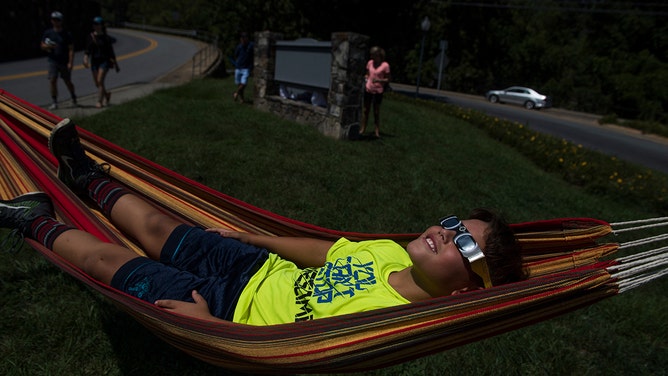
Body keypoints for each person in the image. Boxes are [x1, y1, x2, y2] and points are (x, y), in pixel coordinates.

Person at [0, 119, 524, 325]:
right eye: (453, 222)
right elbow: (324, 253)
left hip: (228, 315)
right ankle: (84, 176)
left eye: (463, 244)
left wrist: (214, 330)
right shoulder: (388, 252)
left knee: (110, 260)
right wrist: (246, 234)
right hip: (255, 265)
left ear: (466, 293)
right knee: (158, 226)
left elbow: (298, 353)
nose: (442, 230)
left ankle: (33, 222)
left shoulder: (389, 321)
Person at [40, 11, 77, 110]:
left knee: (67, 81)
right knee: (52, 80)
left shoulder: (66, 34)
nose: (55, 22)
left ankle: (73, 97)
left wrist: (70, 62)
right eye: (54, 20)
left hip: (64, 61)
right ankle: (54, 101)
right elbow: (42, 45)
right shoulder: (48, 33)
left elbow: (71, 49)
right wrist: (48, 46)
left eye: (58, 20)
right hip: (53, 60)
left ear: (61, 21)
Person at [83, 16, 120, 108]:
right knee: (97, 83)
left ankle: (100, 101)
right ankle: (106, 94)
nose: (97, 26)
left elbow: (111, 52)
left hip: (104, 61)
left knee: (100, 80)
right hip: (95, 62)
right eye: (95, 24)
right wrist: (85, 59)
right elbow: (87, 50)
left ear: (102, 25)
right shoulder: (91, 37)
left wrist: (116, 64)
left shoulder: (106, 38)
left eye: (98, 24)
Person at [360, 46, 391, 138]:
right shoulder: (370, 63)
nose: (371, 57)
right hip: (368, 88)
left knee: (376, 111)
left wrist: (379, 81)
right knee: (365, 110)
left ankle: (376, 130)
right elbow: (368, 73)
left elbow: (388, 79)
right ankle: (363, 128)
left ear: (377, 55)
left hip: (378, 90)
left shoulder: (385, 65)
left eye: (372, 55)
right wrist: (366, 77)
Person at [232, 32, 254, 103]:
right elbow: (236, 54)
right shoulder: (239, 47)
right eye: (242, 38)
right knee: (239, 84)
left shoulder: (250, 46)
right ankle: (242, 99)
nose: (243, 40)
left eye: (245, 38)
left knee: (243, 84)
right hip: (238, 67)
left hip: (246, 68)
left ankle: (236, 93)